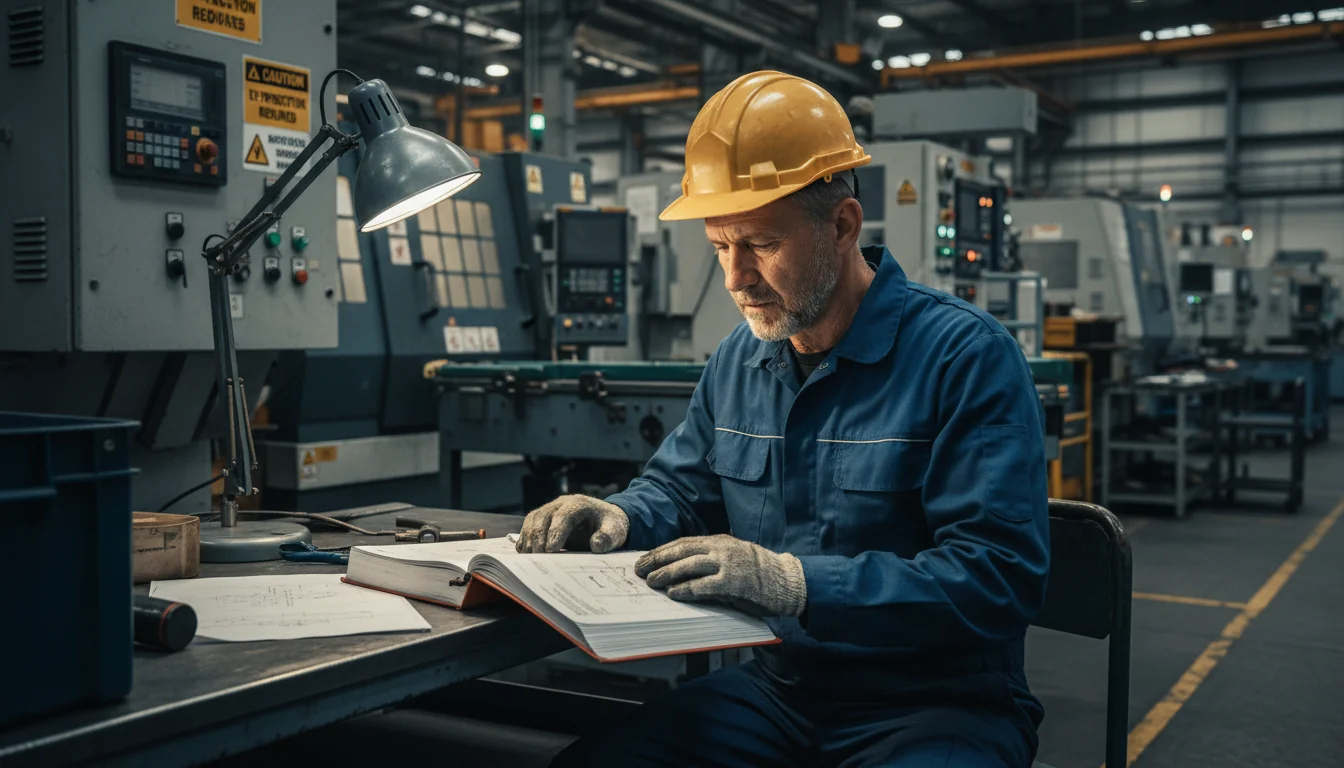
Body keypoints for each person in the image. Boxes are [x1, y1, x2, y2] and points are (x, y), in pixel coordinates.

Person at [515, 70, 1049, 767]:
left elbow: (997, 578)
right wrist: (616, 514)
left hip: (938, 705)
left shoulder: (964, 357)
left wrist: (798, 585)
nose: (735, 278)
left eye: (760, 245)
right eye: (719, 246)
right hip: (783, 692)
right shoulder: (742, 360)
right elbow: (680, 491)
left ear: (842, 225)